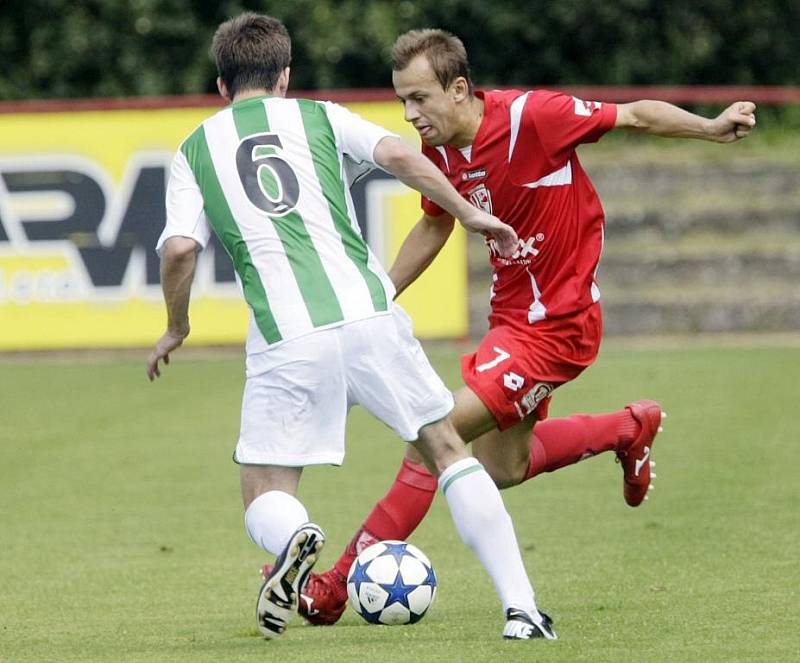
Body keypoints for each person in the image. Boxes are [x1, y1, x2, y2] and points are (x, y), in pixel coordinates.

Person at [286, 28, 757, 625]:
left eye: (420, 99)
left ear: (459, 89)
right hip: (511, 321)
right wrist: (371, 295)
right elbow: (435, 226)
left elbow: (635, 115)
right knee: (501, 468)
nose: (410, 114)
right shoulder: (441, 152)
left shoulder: (537, 117)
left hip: (560, 323)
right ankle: (628, 427)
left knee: (433, 436)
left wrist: (711, 129)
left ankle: (337, 581)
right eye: (403, 101)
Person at [146, 14, 560, 641]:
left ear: (221, 85)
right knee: (446, 451)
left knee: (265, 487)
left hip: (288, 338)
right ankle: (523, 610)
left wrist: (176, 324)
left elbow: (179, 250)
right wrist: (467, 211)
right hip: (371, 314)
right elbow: (398, 154)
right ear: (285, 76)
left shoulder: (195, 149)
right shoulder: (319, 115)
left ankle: (293, 536)